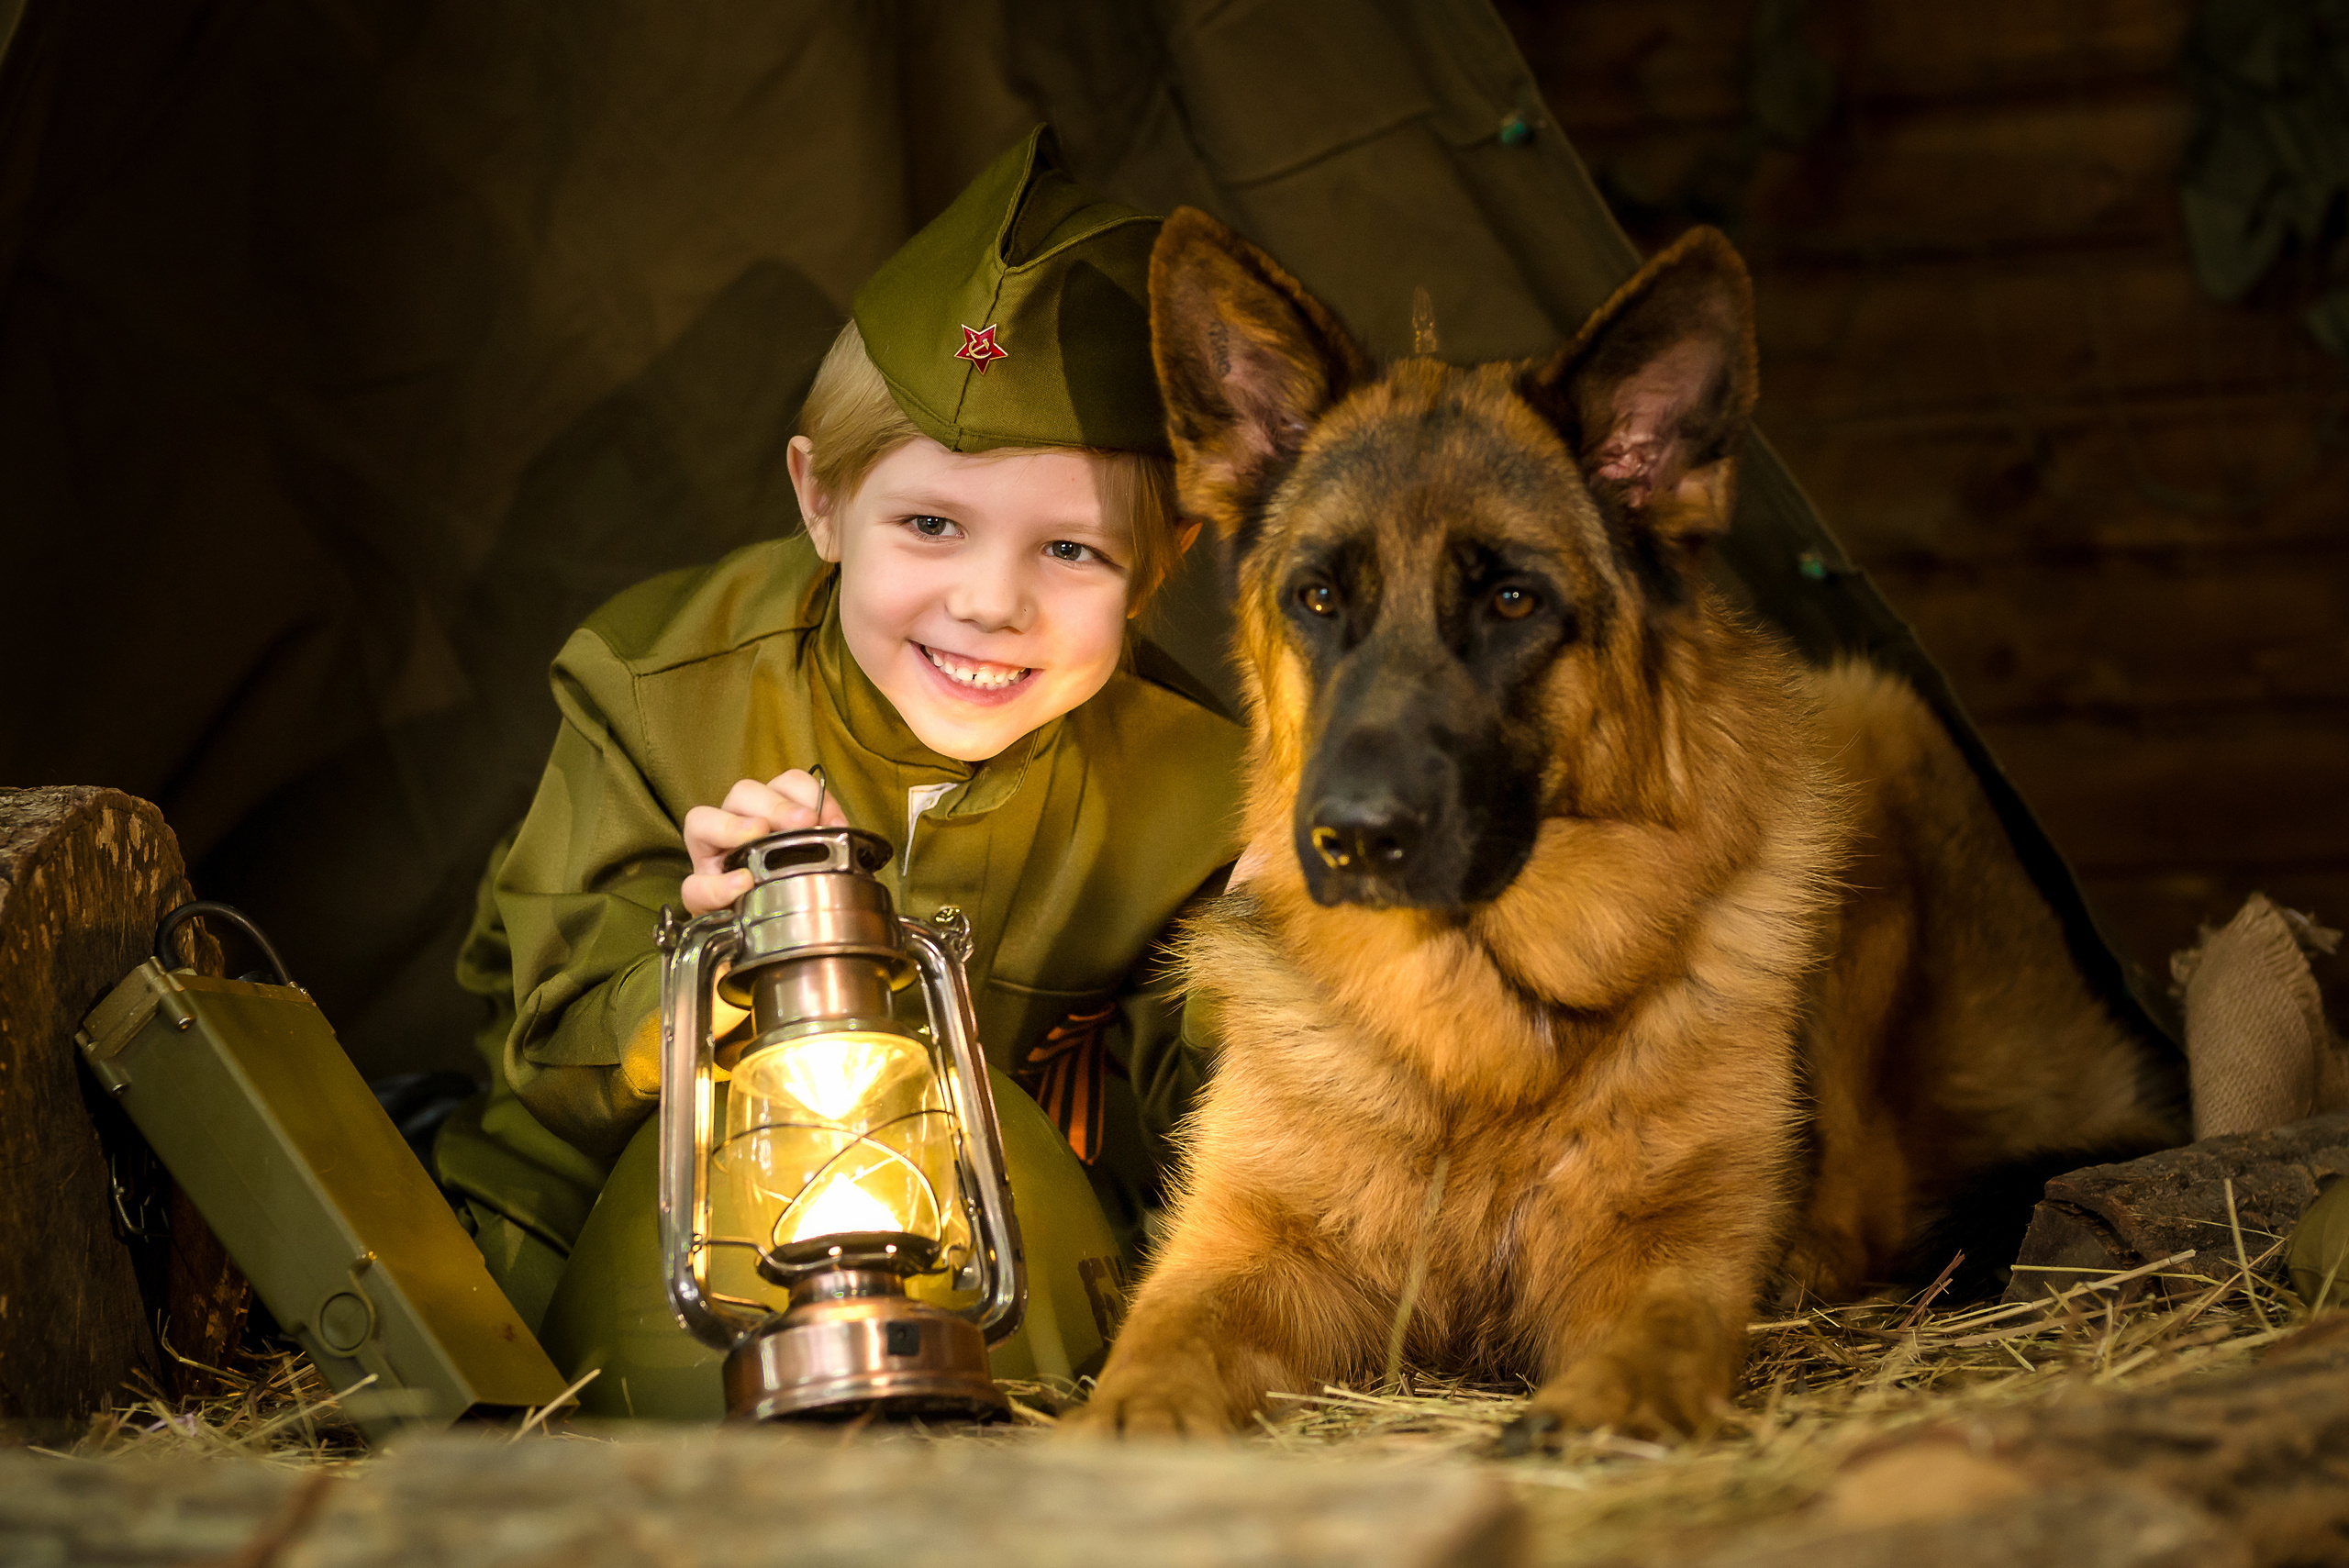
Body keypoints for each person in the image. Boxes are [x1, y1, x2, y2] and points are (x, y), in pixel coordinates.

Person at [431, 128, 1246, 1360]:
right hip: (619, 1268)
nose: (990, 602)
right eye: (931, 523)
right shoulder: (657, 689)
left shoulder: (1204, 798)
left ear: (1159, 566)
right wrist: (706, 965)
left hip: (999, 1286)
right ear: (822, 501)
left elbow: (1211, 1137)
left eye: (1071, 549)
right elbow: (543, 1057)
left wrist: (1285, 949)